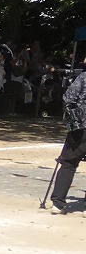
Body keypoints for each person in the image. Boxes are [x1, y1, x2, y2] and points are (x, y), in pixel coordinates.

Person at [48, 69, 86, 214]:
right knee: (68, 163)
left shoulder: (83, 76)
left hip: (80, 126)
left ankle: (57, 203)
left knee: (68, 163)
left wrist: (74, 117)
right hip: (81, 125)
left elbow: (68, 98)